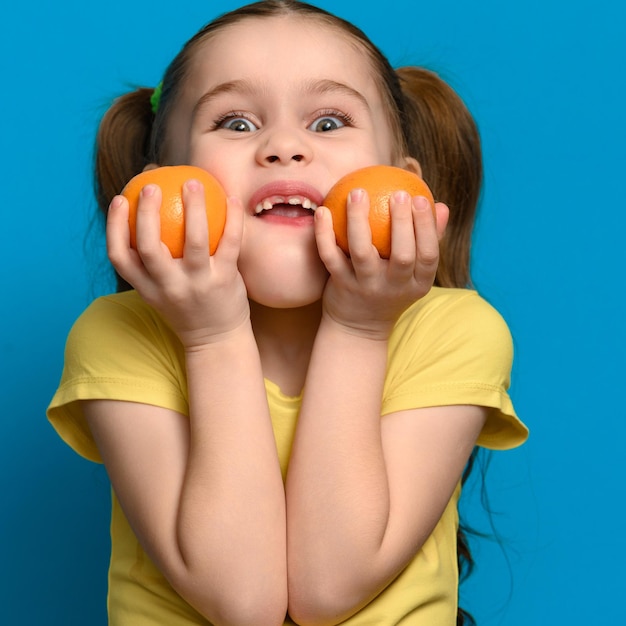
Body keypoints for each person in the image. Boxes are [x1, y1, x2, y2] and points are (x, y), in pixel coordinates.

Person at [47, 1, 529, 624]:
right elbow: (241, 602)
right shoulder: (118, 334)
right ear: (159, 186)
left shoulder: (455, 331)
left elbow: (329, 586)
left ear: (404, 180)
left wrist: (360, 328)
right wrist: (211, 338)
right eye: (235, 123)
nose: (283, 147)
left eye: (329, 122)